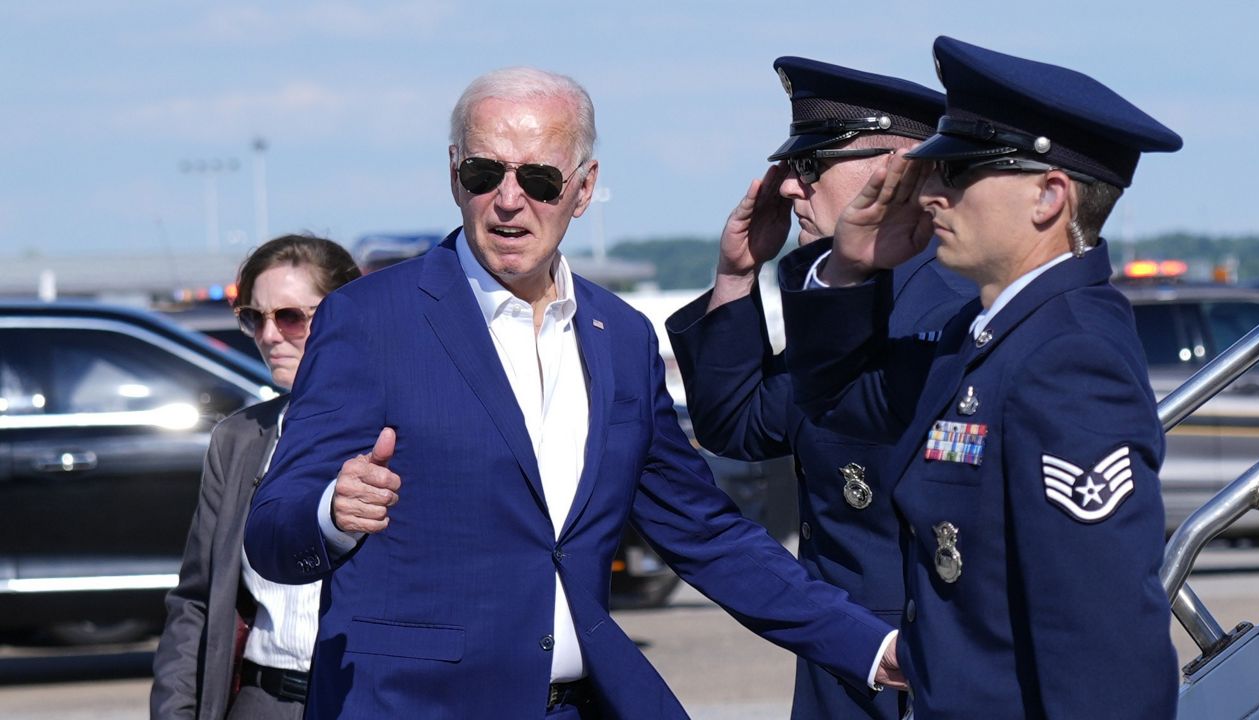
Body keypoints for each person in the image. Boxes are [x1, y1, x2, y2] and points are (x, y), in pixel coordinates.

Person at [242, 67, 902, 720]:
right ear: (453, 176)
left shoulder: (621, 337)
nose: (508, 199)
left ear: (583, 189)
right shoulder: (369, 320)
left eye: (538, 179)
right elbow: (272, 532)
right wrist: (332, 511)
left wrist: (873, 649)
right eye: (483, 173)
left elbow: (707, 533)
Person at [779, 36, 1182, 718]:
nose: (930, 194)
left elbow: (1100, 638)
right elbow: (837, 406)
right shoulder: (985, 335)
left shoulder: (1068, 358)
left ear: (1048, 197)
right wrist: (851, 267)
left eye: (958, 172)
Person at [664, 57, 971, 720]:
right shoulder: (836, 302)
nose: (794, 192)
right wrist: (736, 274)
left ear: (903, 165)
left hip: (925, 680)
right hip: (844, 675)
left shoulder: (952, 308)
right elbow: (740, 425)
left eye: (813, 168)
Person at [151, 235, 362, 719]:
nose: (269, 336)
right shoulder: (240, 438)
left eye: (289, 316)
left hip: (359, 699)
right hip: (261, 701)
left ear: (344, 315)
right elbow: (196, 601)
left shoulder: (403, 433)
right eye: (254, 317)